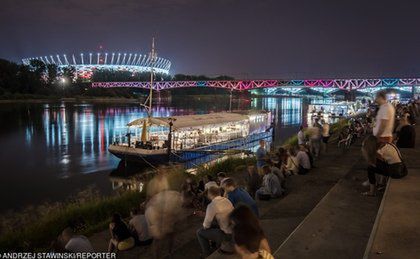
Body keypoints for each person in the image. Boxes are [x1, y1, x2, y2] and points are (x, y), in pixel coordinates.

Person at [196, 186, 234, 257]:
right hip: (233, 230)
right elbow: (222, 216)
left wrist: (206, 219)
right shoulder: (226, 200)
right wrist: (206, 215)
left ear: (209, 195)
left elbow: (206, 226)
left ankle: (207, 254)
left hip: (226, 235)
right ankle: (215, 245)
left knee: (199, 232)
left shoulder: (212, 205)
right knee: (212, 224)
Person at [145, 190, 184, 259]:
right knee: (159, 242)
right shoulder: (150, 209)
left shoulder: (155, 204)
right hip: (160, 225)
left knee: (167, 238)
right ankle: (165, 254)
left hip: (165, 224)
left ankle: (168, 253)